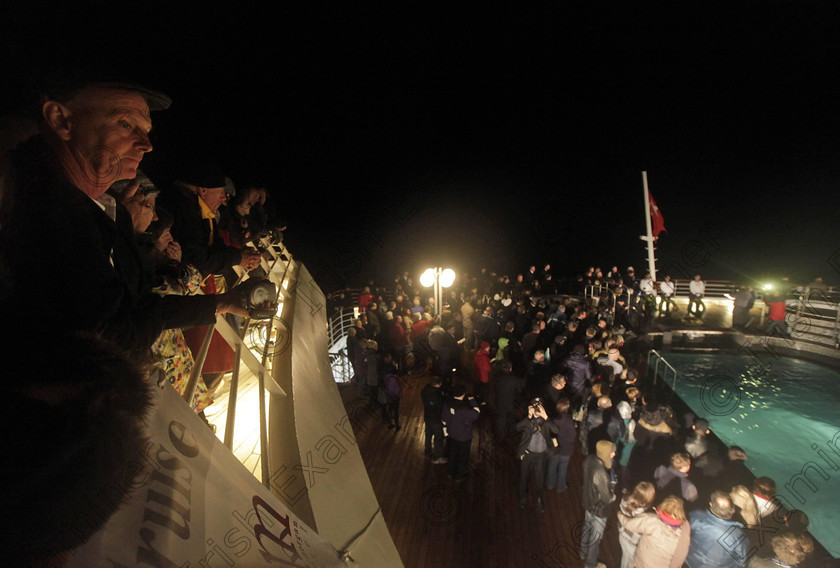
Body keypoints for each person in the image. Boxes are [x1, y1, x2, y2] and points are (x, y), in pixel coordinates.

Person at [0, 75, 243, 354]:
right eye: (125, 124)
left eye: (146, 130)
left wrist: (220, 303)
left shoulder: (107, 210)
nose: (146, 144)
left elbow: (138, 303)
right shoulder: (31, 209)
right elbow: (115, 340)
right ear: (60, 120)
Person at [617, 495, 692, 568]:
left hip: (642, 564)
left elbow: (629, 524)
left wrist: (619, 514)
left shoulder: (652, 521)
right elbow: (680, 557)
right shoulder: (682, 534)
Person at [516, 398, 560, 512]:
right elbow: (518, 428)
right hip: (528, 454)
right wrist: (529, 416)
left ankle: (539, 498)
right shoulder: (527, 421)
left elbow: (556, 430)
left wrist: (546, 417)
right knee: (523, 478)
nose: (536, 409)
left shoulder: (546, 422)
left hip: (541, 456)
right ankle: (522, 498)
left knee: (539, 479)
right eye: (534, 406)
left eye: (538, 406)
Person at [686, 491, 750, 568]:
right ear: (733, 510)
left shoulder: (696, 516)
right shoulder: (738, 535)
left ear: (711, 504)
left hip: (690, 562)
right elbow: (743, 560)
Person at [581, 440, 616, 568]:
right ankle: (590, 564)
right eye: (612, 453)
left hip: (588, 502)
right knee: (595, 538)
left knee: (586, 527)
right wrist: (613, 494)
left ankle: (583, 552)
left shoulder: (589, 459)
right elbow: (606, 497)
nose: (613, 455)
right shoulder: (601, 472)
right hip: (599, 510)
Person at [441, 384, 481, 482]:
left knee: (452, 453)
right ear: (463, 395)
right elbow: (477, 413)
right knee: (463, 456)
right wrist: (473, 401)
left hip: (452, 434)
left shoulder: (447, 404)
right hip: (464, 437)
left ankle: (450, 472)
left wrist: (446, 432)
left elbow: (444, 420)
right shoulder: (464, 409)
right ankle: (459, 475)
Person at [616, 481, 656, 568]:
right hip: (633, 543)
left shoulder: (625, 498)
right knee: (630, 563)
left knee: (625, 557)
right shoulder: (643, 515)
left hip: (622, 536)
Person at [545, 397, 577, 494]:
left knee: (552, 465)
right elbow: (572, 436)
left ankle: (550, 484)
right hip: (566, 448)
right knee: (563, 467)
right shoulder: (568, 420)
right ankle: (561, 487)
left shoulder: (551, 419)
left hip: (554, 447)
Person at [492, 359, 521, 440]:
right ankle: (511, 433)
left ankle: (500, 436)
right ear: (510, 368)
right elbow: (519, 391)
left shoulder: (496, 378)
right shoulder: (514, 379)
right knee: (511, 418)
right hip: (511, 402)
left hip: (499, 401)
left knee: (501, 419)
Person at [421, 377, 448, 463]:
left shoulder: (425, 391)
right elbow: (441, 404)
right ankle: (437, 457)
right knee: (439, 436)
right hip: (436, 418)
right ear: (438, 384)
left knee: (428, 434)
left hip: (427, 416)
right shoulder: (437, 395)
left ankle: (427, 451)